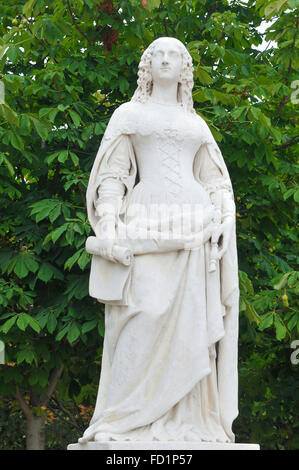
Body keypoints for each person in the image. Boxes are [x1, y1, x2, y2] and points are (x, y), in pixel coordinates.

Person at [79, 36, 239, 444]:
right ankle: (121, 420)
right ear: (147, 66)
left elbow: (215, 180)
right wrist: (110, 222)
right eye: (158, 55)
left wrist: (224, 218)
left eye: (174, 55)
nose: (166, 60)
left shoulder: (196, 124)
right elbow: (113, 176)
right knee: (139, 314)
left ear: (185, 68)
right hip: (145, 225)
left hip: (194, 229)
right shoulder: (128, 115)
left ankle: (188, 420)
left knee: (190, 332)